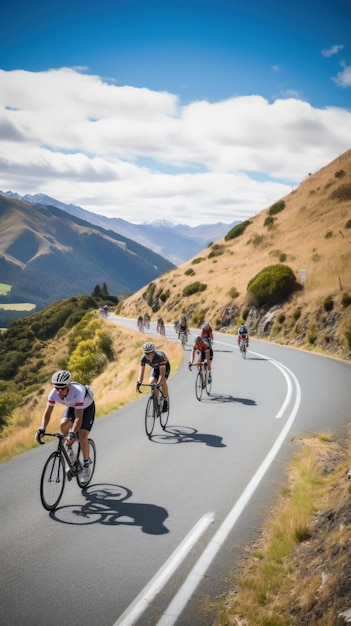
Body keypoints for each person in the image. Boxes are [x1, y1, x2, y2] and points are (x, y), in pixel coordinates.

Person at [35, 370, 95, 482]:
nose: (58, 391)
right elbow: (48, 413)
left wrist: (73, 432)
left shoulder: (78, 392)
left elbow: (78, 418)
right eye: (56, 387)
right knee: (63, 426)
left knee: (82, 436)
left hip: (86, 409)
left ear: (68, 386)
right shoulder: (54, 393)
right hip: (72, 407)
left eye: (61, 388)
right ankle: (71, 453)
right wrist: (42, 427)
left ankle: (86, 465)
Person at [136, 342, 170, 412]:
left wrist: (159, 383)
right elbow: (141, 372)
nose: (147, 355)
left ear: (153, 352)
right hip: (155, 368)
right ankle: (157, 401)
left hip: (164, 367)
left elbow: (161, 375)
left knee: (162, 382)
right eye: (145, 353)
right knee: (152, 382)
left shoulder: (160, 357)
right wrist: (139, 381)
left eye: (149, 353)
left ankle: (165, 398)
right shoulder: (143, 359)